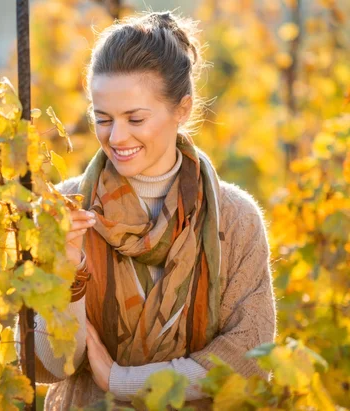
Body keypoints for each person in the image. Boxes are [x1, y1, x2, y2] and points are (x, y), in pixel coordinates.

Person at [17, 9, 277, 410]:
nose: (116, 137)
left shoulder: (234, 218)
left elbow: (249, 359)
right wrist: (65, 271)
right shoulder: (66, 210)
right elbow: (48, 367)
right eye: (102, 118)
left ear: (182, 109)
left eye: (135, 118)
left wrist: (122, 381)